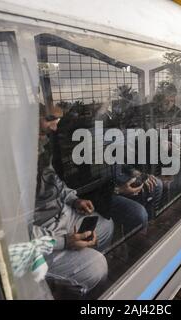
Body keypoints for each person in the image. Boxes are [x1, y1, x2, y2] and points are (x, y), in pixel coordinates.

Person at [32, 104, 114, 298]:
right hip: (42, 235)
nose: (54, 128)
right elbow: (17, 232)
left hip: (64, 216)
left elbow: (56, 182)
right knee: (97, 267)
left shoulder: (41, 150)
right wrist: (64, 242)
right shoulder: (10, 164)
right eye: (50, 119)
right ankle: (61, 285)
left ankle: (78, 273)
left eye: (58, 122)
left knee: (106, 226)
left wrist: (74, 199)